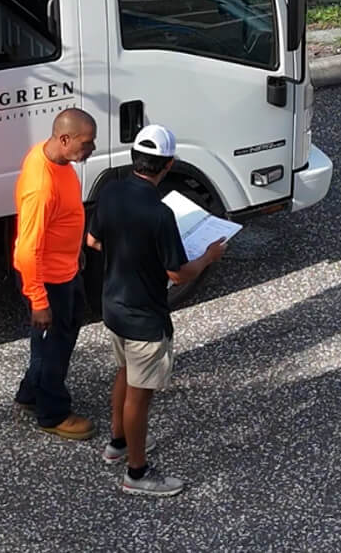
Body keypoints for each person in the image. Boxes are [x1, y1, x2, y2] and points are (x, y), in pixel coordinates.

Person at [86, 124, 226, 498]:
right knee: (140, 393)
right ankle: (137, 471)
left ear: (134, 158)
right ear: (168, 165)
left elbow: (93, 240)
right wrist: (209, 257)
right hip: (145, 316)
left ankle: (115, 443)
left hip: (112, 306)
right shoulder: (160, 214)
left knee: (123, 371)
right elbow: (178, 274)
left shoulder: (110, 191)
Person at [12, 107, 98, 440]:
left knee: (48, 341)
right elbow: (26, 249)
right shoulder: (41, 186)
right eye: (86, 143)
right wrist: (39, 300)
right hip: (49, 280)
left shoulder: (51, 157)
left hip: (63, 270)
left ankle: (30, 393)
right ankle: (53, 413)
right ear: (64, 139)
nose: (90, 149)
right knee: (55, 346)